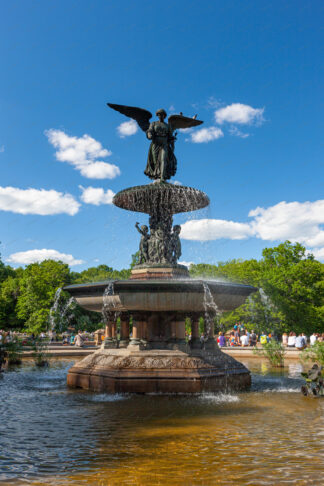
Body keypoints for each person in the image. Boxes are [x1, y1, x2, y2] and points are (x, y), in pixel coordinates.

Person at [145, 109, 177, 182]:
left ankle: (162, 177)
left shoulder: (167, 125)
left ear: (164, 116)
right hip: (155, 144)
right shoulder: (153, 123)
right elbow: (150, 130)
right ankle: (157, 176)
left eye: (162, 114)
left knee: (163, 159)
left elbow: (170, 136)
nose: (161, 116)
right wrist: (149, 135)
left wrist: (172, 141)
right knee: (156, 161)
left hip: (164, 144)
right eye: (159, 114)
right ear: (157, 115)